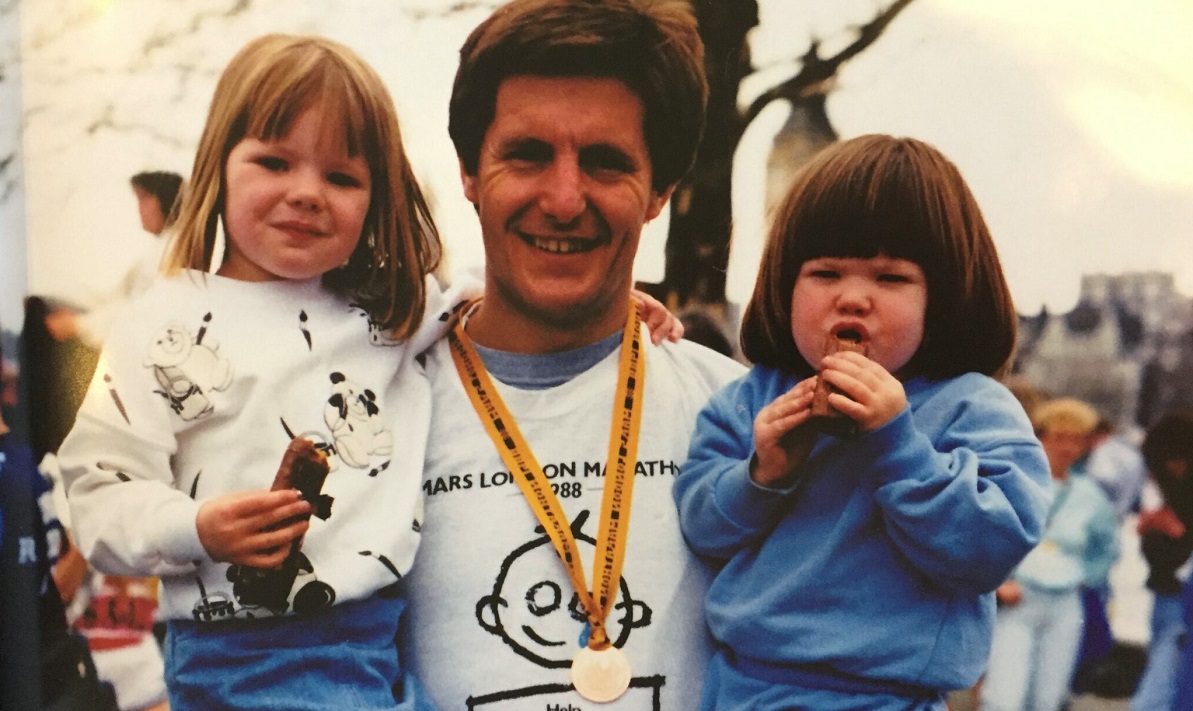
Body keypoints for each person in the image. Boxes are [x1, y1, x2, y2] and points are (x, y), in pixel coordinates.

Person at [57, 34, 452, 710]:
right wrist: (195, 526)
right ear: (221, 164)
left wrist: (627, 307)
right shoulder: (164, 323)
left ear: (376, 197)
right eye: (274, 161)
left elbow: (496, 308)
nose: (305, 192)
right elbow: (95, 490)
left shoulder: (392, 311)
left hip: (380, 641)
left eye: (341, 176)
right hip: (238, 653)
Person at [400, 1, 746, 708]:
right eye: (526, 154)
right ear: (469, 172)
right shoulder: (378, 414)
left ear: (659, 194)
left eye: (605, 162)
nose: (562, 199)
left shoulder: (744, 420)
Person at [672, 134, 1052, 711]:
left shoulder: (973, 408)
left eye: (890, 277)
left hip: (885, 696)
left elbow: (989, 549)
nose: (852, 298)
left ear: (944, 297)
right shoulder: (753, 398)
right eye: (824, 273)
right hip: (742, 688)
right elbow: (700, 527)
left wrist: (899, 444)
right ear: (782, 282)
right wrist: (762, 473)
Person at [981, 397, 1120, 711]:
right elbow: (988, 534)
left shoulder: (1091, 496)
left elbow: (1107, 548)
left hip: (1065, 606)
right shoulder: (1016, 481)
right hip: (1019, 600)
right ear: (1040, 437)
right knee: (1004, 698)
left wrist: (1081, 576)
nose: (1067, 448)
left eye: (1076, 440)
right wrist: (998, 583)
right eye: (1059, 438)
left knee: (1048, 699)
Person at [1129, 411, 1193, 711]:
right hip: (1166, 597)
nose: (1172, 470)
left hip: (1180, 600)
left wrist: (1175, 531)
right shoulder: (1168, 493)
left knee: (1160, 690)